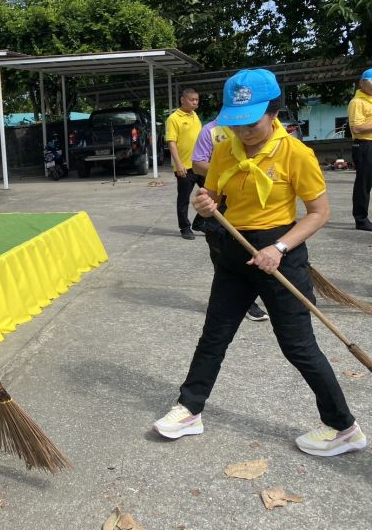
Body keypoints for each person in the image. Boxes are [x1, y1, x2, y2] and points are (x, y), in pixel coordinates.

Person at [153, 69, 366, 457]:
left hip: (278, 253)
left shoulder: (296, 154)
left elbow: (318, 212)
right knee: (214, 335)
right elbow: (212, 195)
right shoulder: (224, 149)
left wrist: (279, 249)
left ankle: (343, 427)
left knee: (299, 346)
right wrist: (204, 203)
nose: (244, 132)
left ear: (274, 112)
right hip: (233, 251)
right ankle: (190, 409)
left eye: (251, 123)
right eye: (237, 124)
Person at [192, 119, 269, 322]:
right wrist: (229, 170)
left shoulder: (265, 125)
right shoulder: (210, 131)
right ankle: (240, 304)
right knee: (222, 254)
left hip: (252, 201)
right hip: (220, 199)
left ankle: (253, 298)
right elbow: (197, 163)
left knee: (254, 252)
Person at [166, 88, 204, 239]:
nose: (195, 103)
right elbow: (171, 142)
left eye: (197, 100)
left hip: (199, 165)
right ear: (183, 100)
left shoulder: (195, 115)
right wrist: (178, 164)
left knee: (214, 194)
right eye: (192, 100)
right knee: (183, 200)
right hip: (184, 167)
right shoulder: (174, 118)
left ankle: (199, 223)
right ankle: (184, 228)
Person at [347, 69, 372, 231]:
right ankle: (361, 219)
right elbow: (356, 128)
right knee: (364, 183)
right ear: (362, 83)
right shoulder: (357, 103)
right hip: (364, 145)